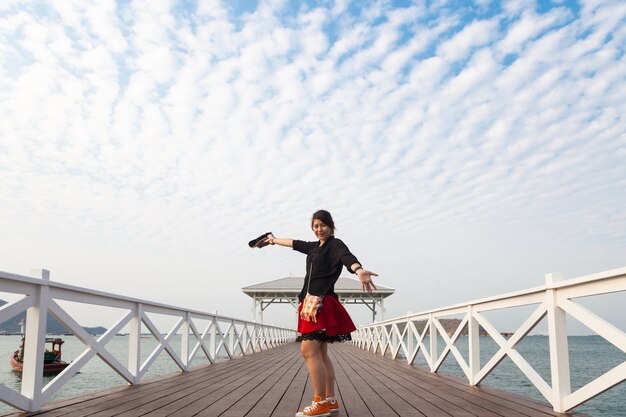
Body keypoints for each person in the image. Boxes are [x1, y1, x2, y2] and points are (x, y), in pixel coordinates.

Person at [257, 209, 378, 417]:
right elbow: (294, 243)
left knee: (307, 351)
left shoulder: (335, 244)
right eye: (315, 226)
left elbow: (347, 257)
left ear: (331, 226)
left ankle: (319, 402)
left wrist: (358, 270)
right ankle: (330, 400)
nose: (319, 229)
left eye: (322, 225)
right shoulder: (313, 247)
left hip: (321, 303)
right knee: (321, 354)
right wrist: (274, 240)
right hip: (309, 303)